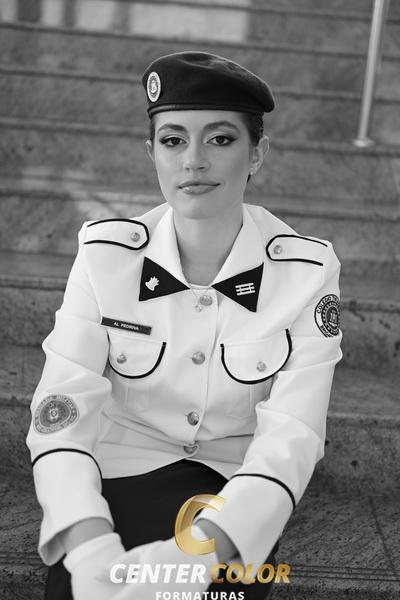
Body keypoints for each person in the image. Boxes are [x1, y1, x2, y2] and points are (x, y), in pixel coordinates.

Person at [26, 51, 342, 600]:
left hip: (233, 495)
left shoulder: (305, 271)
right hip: (116, 478)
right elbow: (62, 406)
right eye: (173, 140)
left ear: (257, 153)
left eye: (220, 139)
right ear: (152, 152)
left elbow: (295, 429)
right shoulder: (105, 256)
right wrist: (87, 542)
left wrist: (201, 552)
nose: (193, 161)